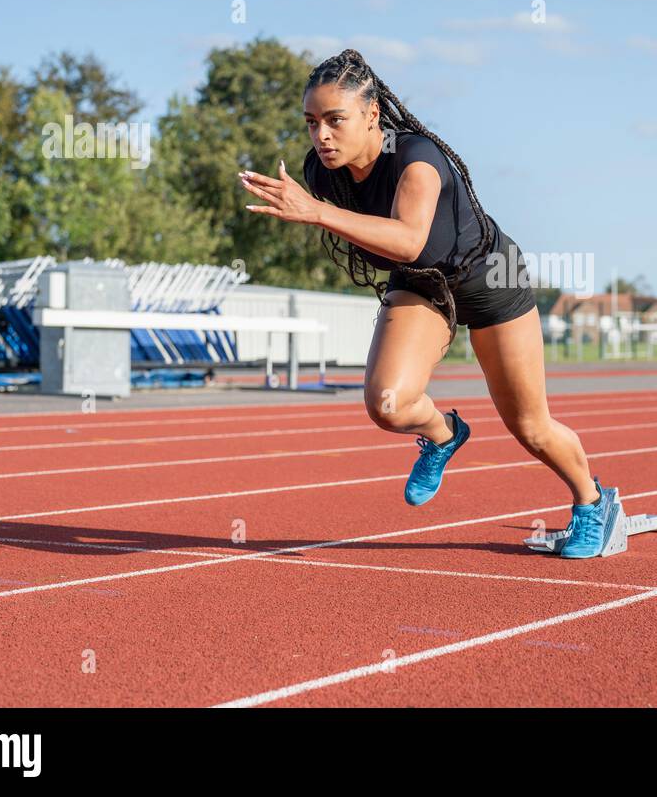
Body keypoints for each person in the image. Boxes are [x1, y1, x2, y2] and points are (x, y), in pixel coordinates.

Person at [239, 48, 614, 557]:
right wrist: (318, 206)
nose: (321, 135)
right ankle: (443, 435)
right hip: (422, 283)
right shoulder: (321, 172)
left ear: (372, 114)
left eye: (334, 120)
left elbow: (411, 239)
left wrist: (317, 213)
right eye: (311, 122)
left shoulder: (417, 160)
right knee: (387, 405)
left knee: (530, 427)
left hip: (488, 279)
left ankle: (593, 503)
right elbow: (403, 255)